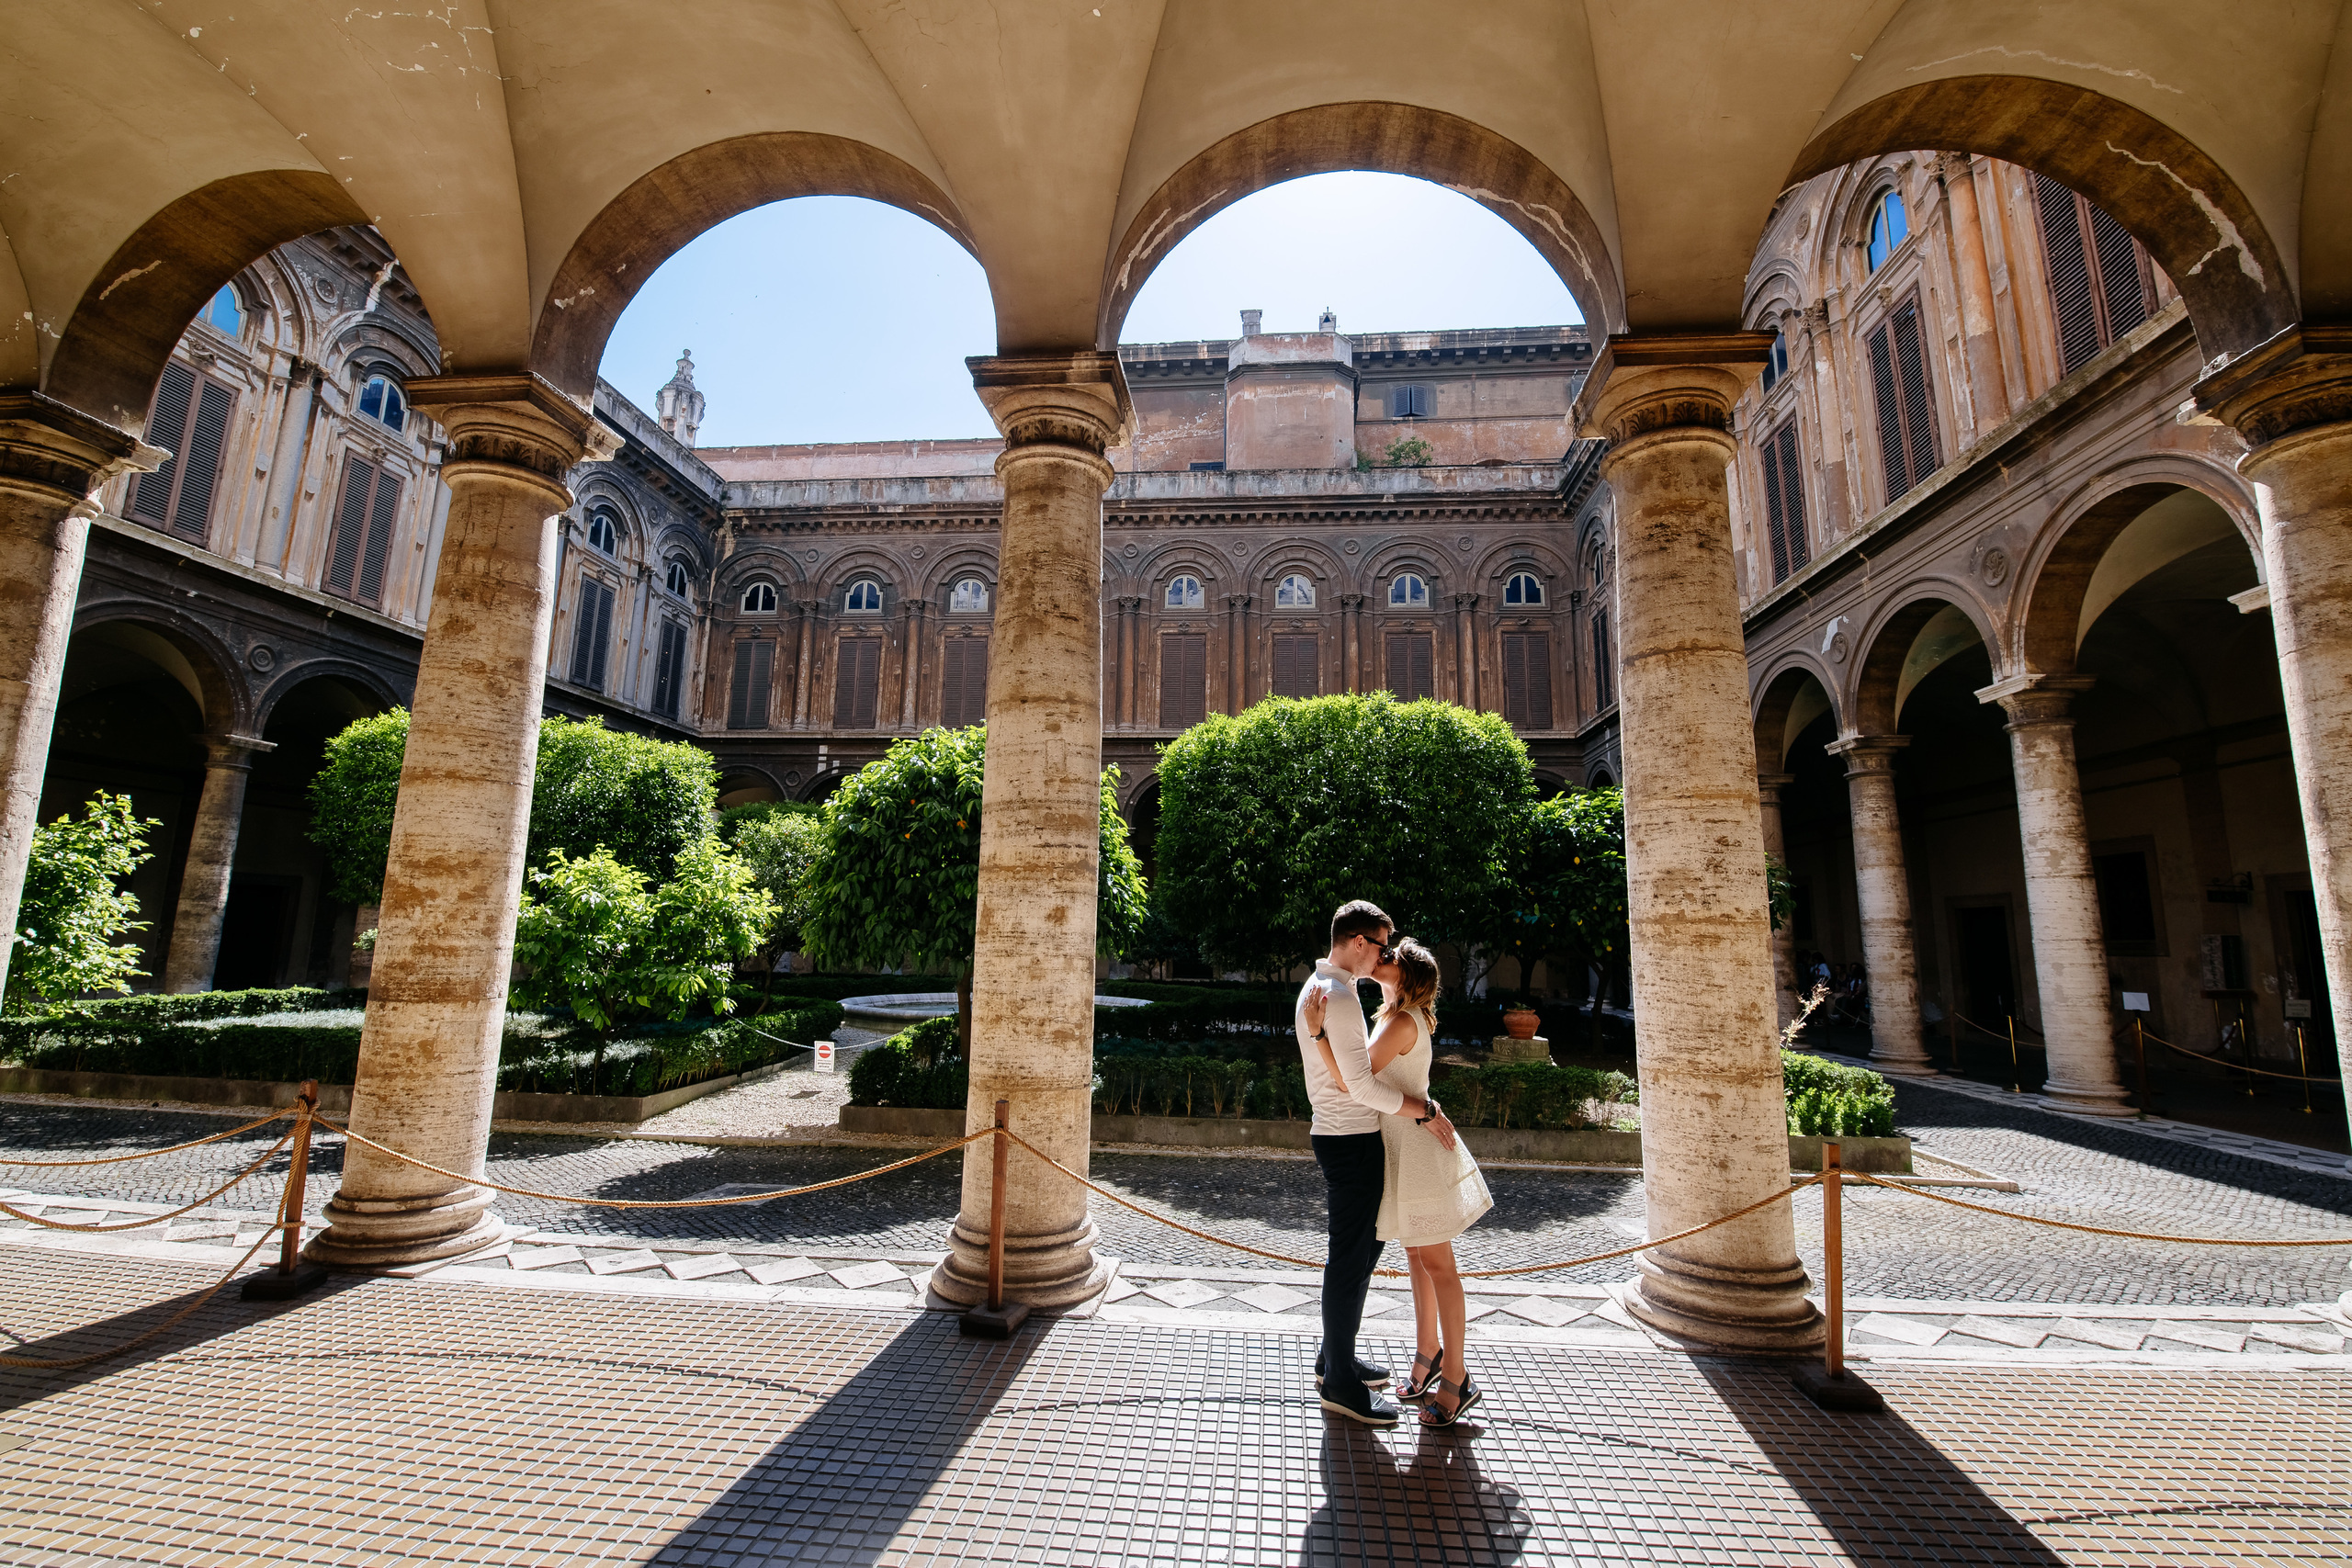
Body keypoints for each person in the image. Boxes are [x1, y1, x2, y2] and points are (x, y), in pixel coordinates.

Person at [1304, 937, 1489, 1427]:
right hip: (1402, 1147)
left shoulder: (1401, 1021)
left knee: (1438, 1263)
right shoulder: (1392, 1017)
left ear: (1404, 978)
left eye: (1389, 959)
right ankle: (1427, 1354)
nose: (1379, 960)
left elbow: (1351, 1081)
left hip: (1416, 1151)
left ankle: (1458, 1377)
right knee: (1415, 1257)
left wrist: (1319, 1035)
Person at [1294, 899, 1448, 1427]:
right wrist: (1423, 1110)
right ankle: (1338, 1383)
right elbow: (1359, 1086)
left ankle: (1336, 1359)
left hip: (1346, 1139)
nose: (1386, 952)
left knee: (1359, 1258)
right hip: (1350, 1139)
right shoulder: (1336, 997)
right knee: (1349, 1261)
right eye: (1382, 944)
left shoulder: (1332, 989)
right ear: (1359, 942)